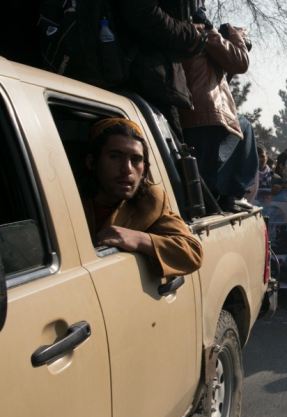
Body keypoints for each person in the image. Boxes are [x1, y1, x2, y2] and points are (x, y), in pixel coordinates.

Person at [82, 118, 203, 277]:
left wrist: (139, 239)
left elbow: (192, 252)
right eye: (115, 156)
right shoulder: (65, 199)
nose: (127, 169)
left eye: (136, 159)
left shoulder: (149, 202)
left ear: (144, 169)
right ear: (92, 162)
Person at [180, 22, 257, 208]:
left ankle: (221, 198)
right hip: (207, 114)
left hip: (195, 114)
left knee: (204, 174)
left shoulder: (206, 49)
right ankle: (233, 193)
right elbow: (240, 61)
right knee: (244, 125)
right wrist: (234, 32)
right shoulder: (207, 36)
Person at [117, 0, 209, 139]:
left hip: (157, 81)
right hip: (143, 81)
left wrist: (196, 38)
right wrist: (191, 34)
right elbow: (142, 12)